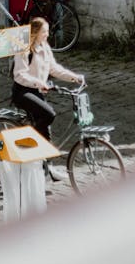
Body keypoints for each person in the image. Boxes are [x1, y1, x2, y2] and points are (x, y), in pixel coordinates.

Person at [12, 17, 84, 181]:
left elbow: (54, 68)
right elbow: (19, 75)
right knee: (49, 115)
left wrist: (74, 78)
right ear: (36, 32)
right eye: (44, 31)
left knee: (46, 129)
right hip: (23, 91)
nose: (47, 34)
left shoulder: (45, 47)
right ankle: (29, 146)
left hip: (37, 91)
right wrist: (39, 82)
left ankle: (47, 165)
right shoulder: (24, 48)